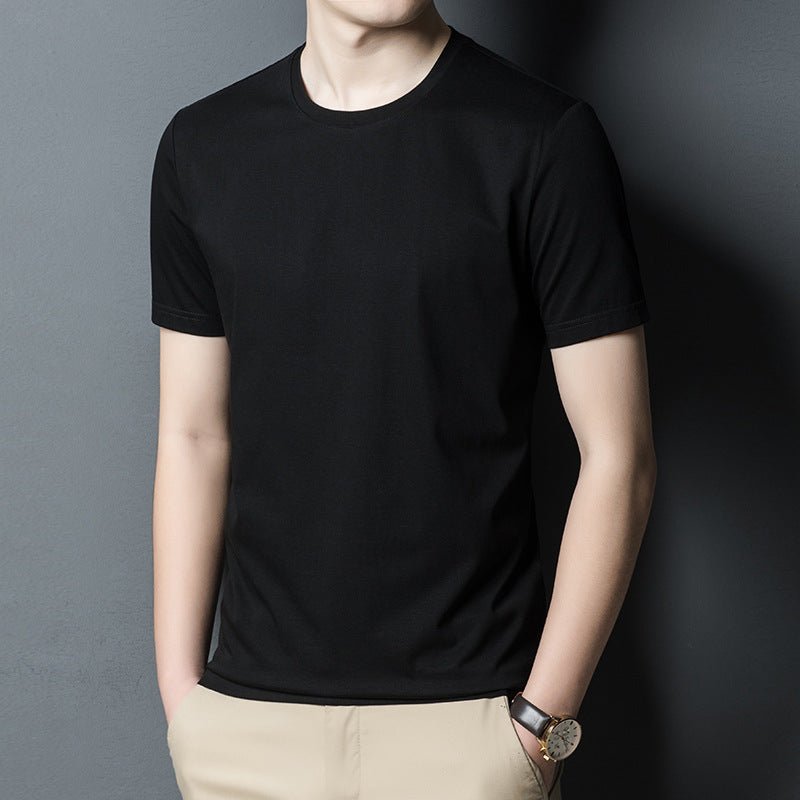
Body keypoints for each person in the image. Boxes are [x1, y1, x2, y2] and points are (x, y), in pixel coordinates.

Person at [149, 2, 657, 799]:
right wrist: (185, 706)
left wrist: (537, 727)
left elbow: (619, 454)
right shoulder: (203, 146)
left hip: (469, 733)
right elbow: (192, 436)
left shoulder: (543, 138)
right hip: (245, 732)